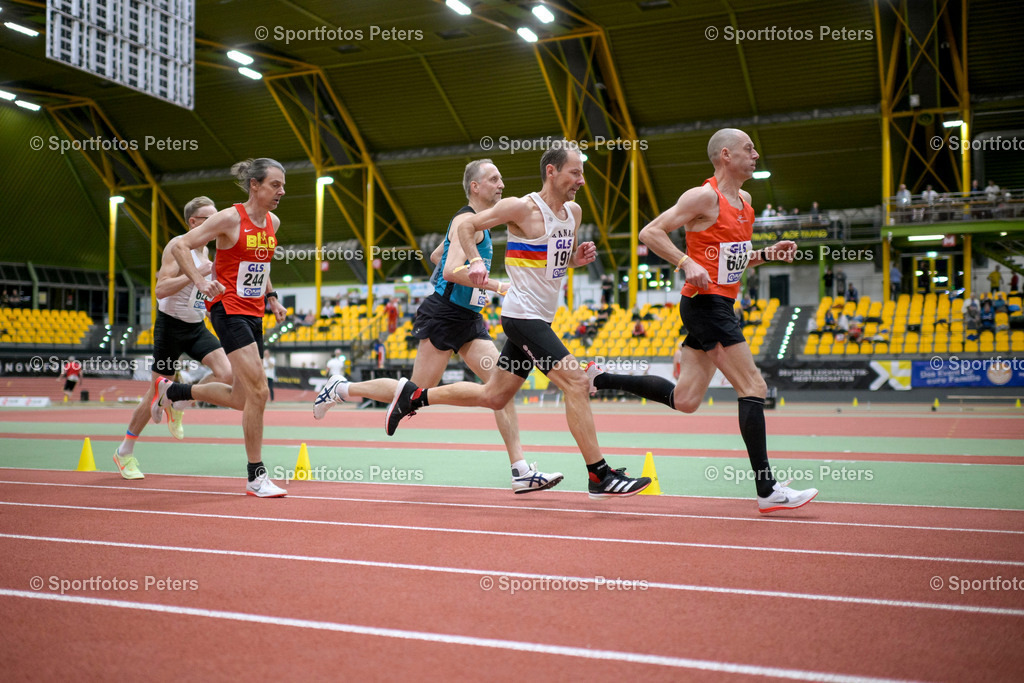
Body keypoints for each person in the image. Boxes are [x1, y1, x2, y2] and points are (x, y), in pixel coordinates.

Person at [381, 146, 650, 499]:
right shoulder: (520, 207)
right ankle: (599, 475)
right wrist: (476, 261)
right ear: (552, 172)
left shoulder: (574, 212)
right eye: (575, 173)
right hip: (522, 317)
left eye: (582, 174)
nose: (581, 181)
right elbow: (468, 227)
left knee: (495, 395)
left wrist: (574, 260)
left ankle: (415, 397)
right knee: (576, 381)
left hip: (542, 316)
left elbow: (552, 256)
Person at [583, 128, 817, 513]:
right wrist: (684, 260)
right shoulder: (702, 197)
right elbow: (650, 232)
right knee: (754, 386)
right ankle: (767, 490)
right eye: (748, 148)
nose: (756, 154)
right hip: (704, 304)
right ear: (725, 155)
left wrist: (768, 254)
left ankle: (599, 378)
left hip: (721, 303)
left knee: (686, 399)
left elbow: (732, 261)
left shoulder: (745, 201)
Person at [313, 158, 564, 493]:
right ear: (475, 186)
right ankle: (341, 389)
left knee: (499, 388)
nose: (501, 184)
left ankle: (520, 469)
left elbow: (438, 257)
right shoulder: (466, 220)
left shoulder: (480, 224)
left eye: (501, 179)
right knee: (415, 391)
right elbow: (448, 271)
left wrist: (458, 264)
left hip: (469, 319)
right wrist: (497, 286)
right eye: (494, 179)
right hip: (444, 314)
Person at [150, 158, 290, 498]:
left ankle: (175, 392)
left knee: (243, 398)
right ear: (254, 185)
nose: (281, 191)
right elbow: (181, 245)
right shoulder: (229, 218)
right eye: (275, 185)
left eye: (283, 186)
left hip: (255, 313)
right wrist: (200, 281)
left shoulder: (273, 221)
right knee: (260, 392)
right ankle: (256, 476)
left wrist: (271, 297)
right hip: (228, 311)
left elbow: (260, 263)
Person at [112, 197, 233, 480]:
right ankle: (124, 451)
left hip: (196, 327)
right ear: (193, 223)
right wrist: (196, 276)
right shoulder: (178, 247)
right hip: (169, 327)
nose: (215, 224)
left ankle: (180, 402)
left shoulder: (209, 256)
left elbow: (203, 294)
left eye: (217, 217)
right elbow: (161, 289)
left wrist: (213, 291)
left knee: (227, 372)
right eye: (208, 219)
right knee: (153, 394)